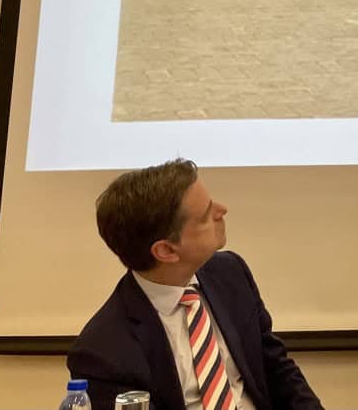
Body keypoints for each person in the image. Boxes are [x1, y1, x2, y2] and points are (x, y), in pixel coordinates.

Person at [67, 159, 323, 410]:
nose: (222, 211)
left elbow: (276, 368)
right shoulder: (102, 351)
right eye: (205, 215)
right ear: (166, 250)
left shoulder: (230, 273)